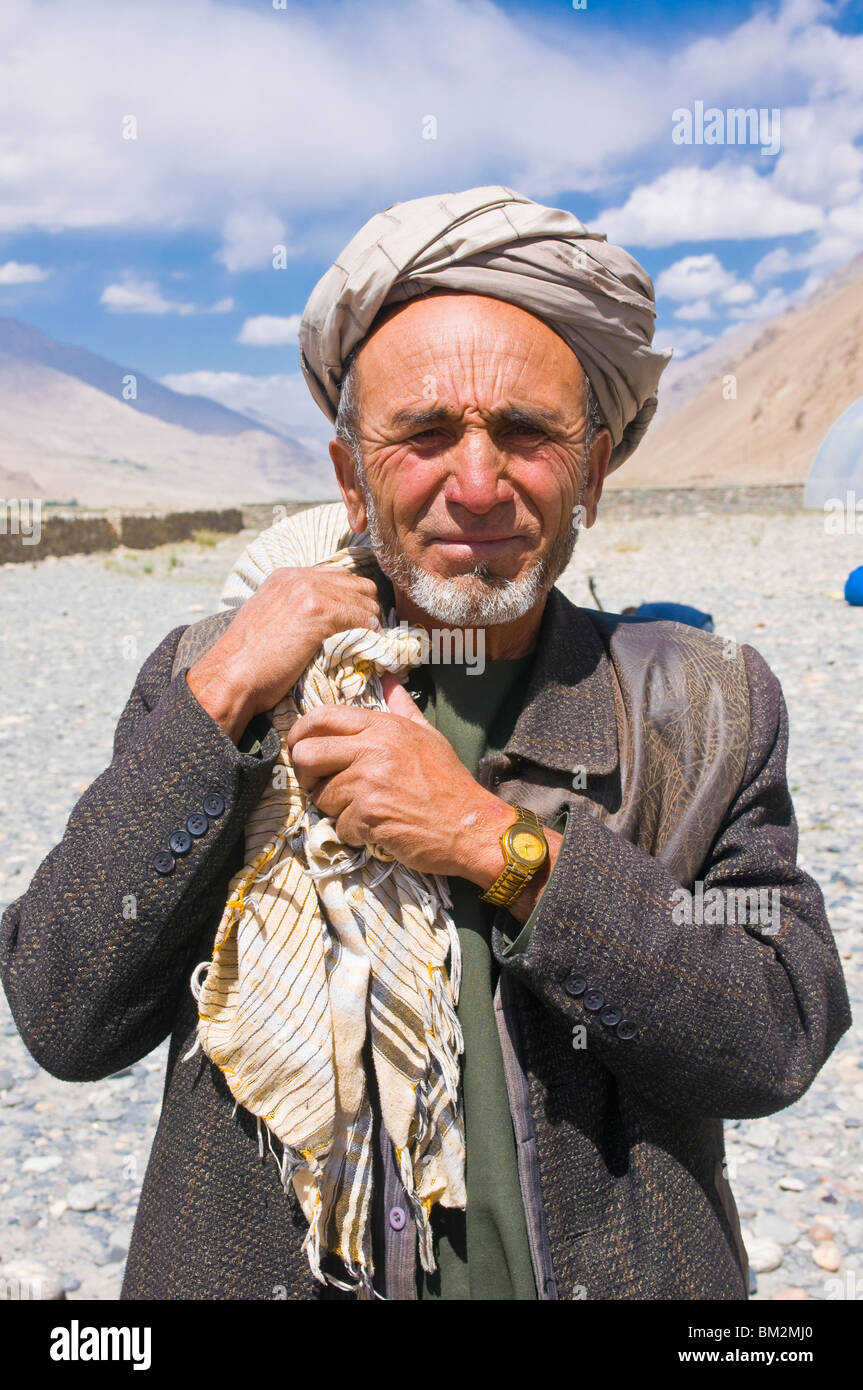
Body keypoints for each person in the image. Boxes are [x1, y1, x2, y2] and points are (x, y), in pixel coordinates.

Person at [0, 186, 851, 1301]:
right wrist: (219, 696)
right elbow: (64, 1009)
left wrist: (496, 847)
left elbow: (773, 1030)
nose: (478, 481)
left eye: (526, 433)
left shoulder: (699, 706)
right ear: (351, 472)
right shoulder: (214, 675)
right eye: (425, 434)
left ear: (592, 468)